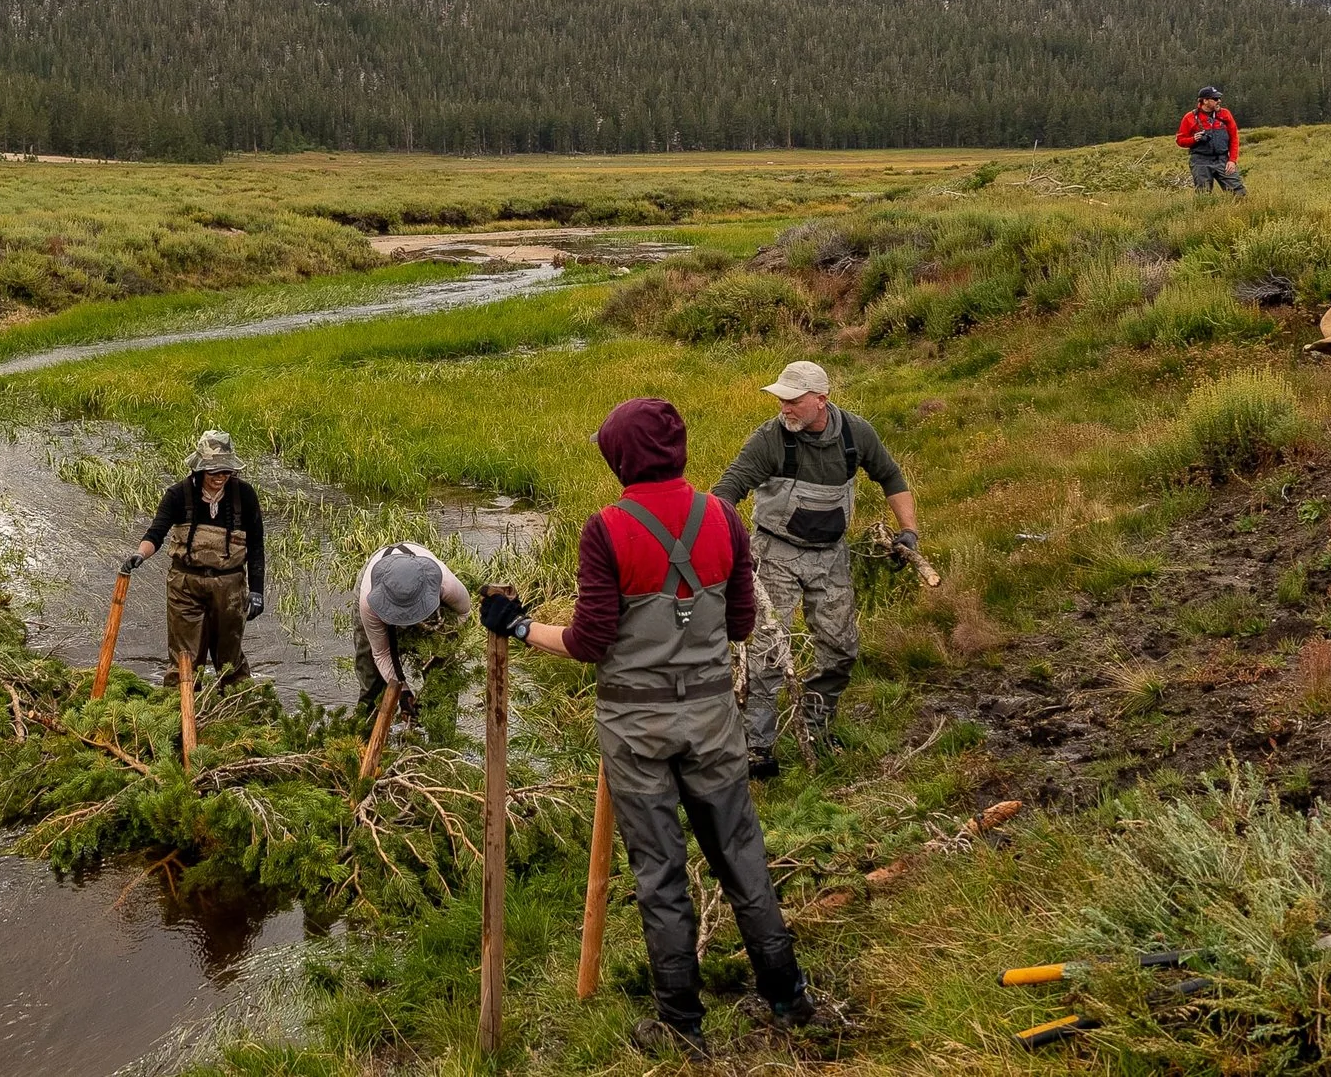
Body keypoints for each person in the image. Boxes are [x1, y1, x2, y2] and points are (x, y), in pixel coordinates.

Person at [480, 398, 811, 1055]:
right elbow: (741, 626)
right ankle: (788, 997)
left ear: (621, 457)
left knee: (660, 874)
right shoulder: (722, 517)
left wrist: (518, 627)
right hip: (716, 720)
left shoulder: (607, 529)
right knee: (743, 858)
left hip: (637, 731)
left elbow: (589, 640)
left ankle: (681, 1029)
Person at [712, 361, 918, 779]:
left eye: (792, 400)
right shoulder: (770, 439)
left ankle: (816, 729)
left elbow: (891, 477)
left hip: (832, 556)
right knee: (769, 652)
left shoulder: (856, 434)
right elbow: (726, 491)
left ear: (821, 400)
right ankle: (758, 747)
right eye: (780, 399)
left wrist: (909, 532)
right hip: (774, 554)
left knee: (841, 649)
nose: (784, 407)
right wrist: (728, 544)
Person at [123, 429, 266, 686]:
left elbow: (256, 546)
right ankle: (181, 712)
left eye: (226, 472)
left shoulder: (244, 496)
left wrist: (257, 591)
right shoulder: (178, 495)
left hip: (230, 586)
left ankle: (238, 710)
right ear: (199, 469)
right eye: (213, 472)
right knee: (185, 659)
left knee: (229, 659)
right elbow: (156, 533)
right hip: (184, 586)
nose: (220, 478)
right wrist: (139, 555)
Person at [352, 541, 469, 719]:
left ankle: (441, 739)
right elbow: (381, 653)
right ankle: (365, 731)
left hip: (424, 584)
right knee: (370, 673)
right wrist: (403, 693)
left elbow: (464, 613)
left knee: (443, 676)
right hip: (374, 582)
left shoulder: (445, 584)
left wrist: (438, 647)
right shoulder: (369, 599)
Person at [1175, 85, 1246, 195]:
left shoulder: (1225, 114)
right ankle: (1203, 212)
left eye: (1219, 98)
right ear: (1205, 100)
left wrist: (1232, 160)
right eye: (1216, 99)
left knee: (1239, 192)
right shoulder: (1189, 117)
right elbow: (1180, 140)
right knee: (1203, 195)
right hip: (1200, 162)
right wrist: (1193, 139)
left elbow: (1234, 138)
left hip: (1223, 160)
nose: (1219, 101)